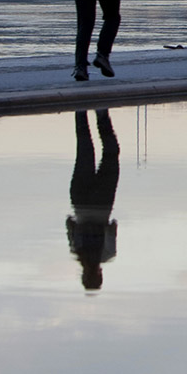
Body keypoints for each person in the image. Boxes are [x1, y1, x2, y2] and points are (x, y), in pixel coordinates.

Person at [67, 110, 120, 291]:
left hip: (103, 200)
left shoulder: (107, 253)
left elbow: (113, 226)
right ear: (83, 275)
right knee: (84, 147)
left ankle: (101, 112)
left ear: (100, 275)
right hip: (79, 200)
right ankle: (80, 108)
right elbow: (69, 223)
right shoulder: (76, 251)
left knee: (111, 152)